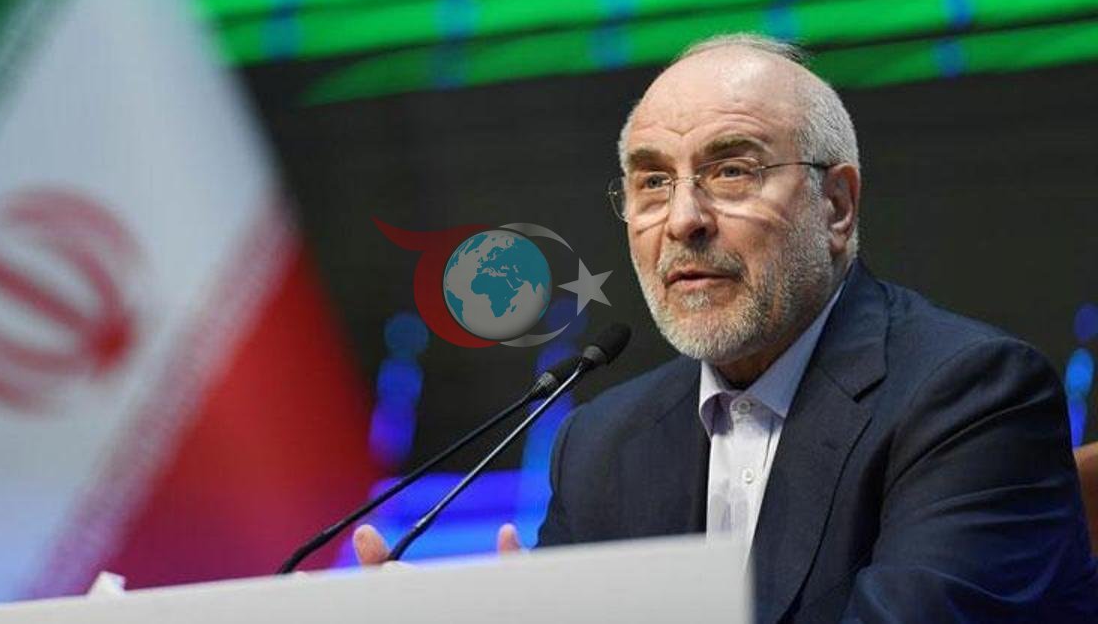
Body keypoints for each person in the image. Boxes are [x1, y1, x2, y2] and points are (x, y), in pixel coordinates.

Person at [356, 33, 1098, 621]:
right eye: (653, 182)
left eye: (732, 171)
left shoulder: (972, 397)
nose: (683, 219)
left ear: (837, 207)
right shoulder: (602, 443)